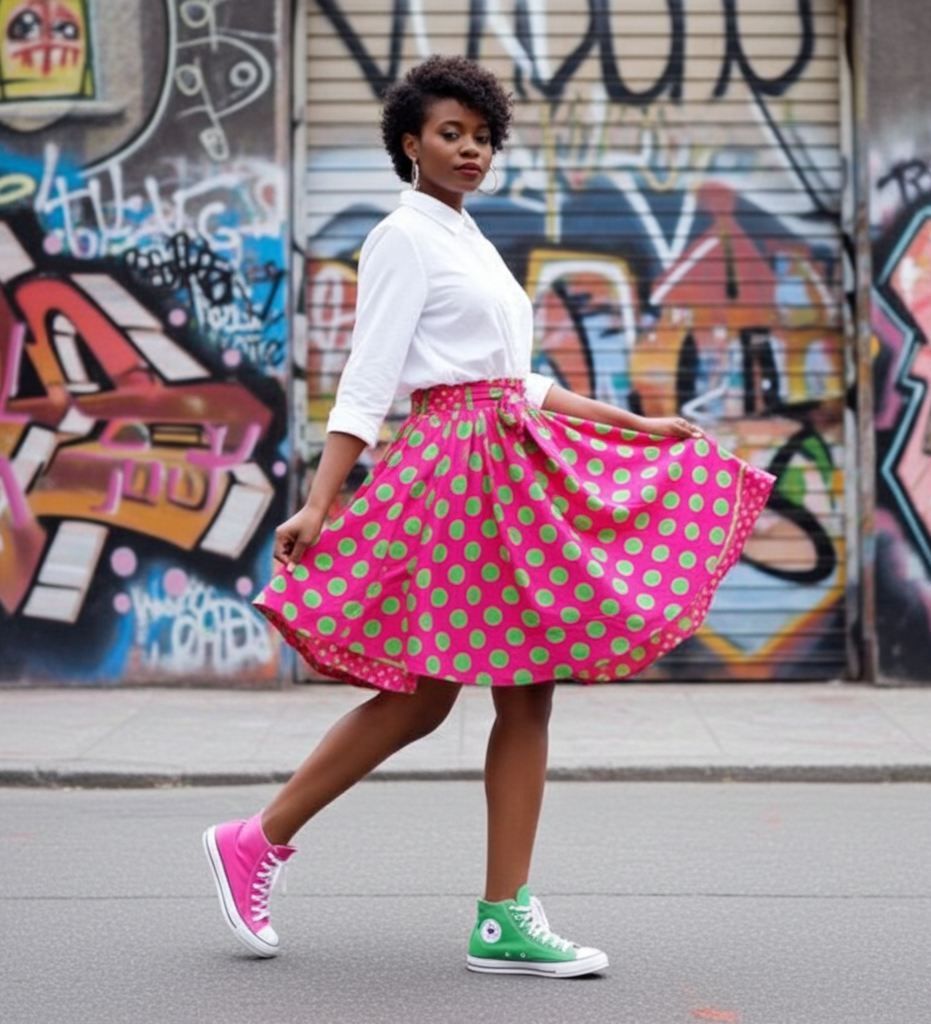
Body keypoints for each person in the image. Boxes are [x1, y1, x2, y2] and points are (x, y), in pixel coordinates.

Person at [203, 54, 774, 978]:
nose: (471, 150)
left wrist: (630, 422)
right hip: (453, 476)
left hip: (504, 468)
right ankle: (257, 839)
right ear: (409, 143)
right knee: (425, 695)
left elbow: (516, 380)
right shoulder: (402, 236)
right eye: (451, 135)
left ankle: (499, 912)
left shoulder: (471, 237)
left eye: (482, 137)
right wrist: (321, 500)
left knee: (521, 684)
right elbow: (372, 379)